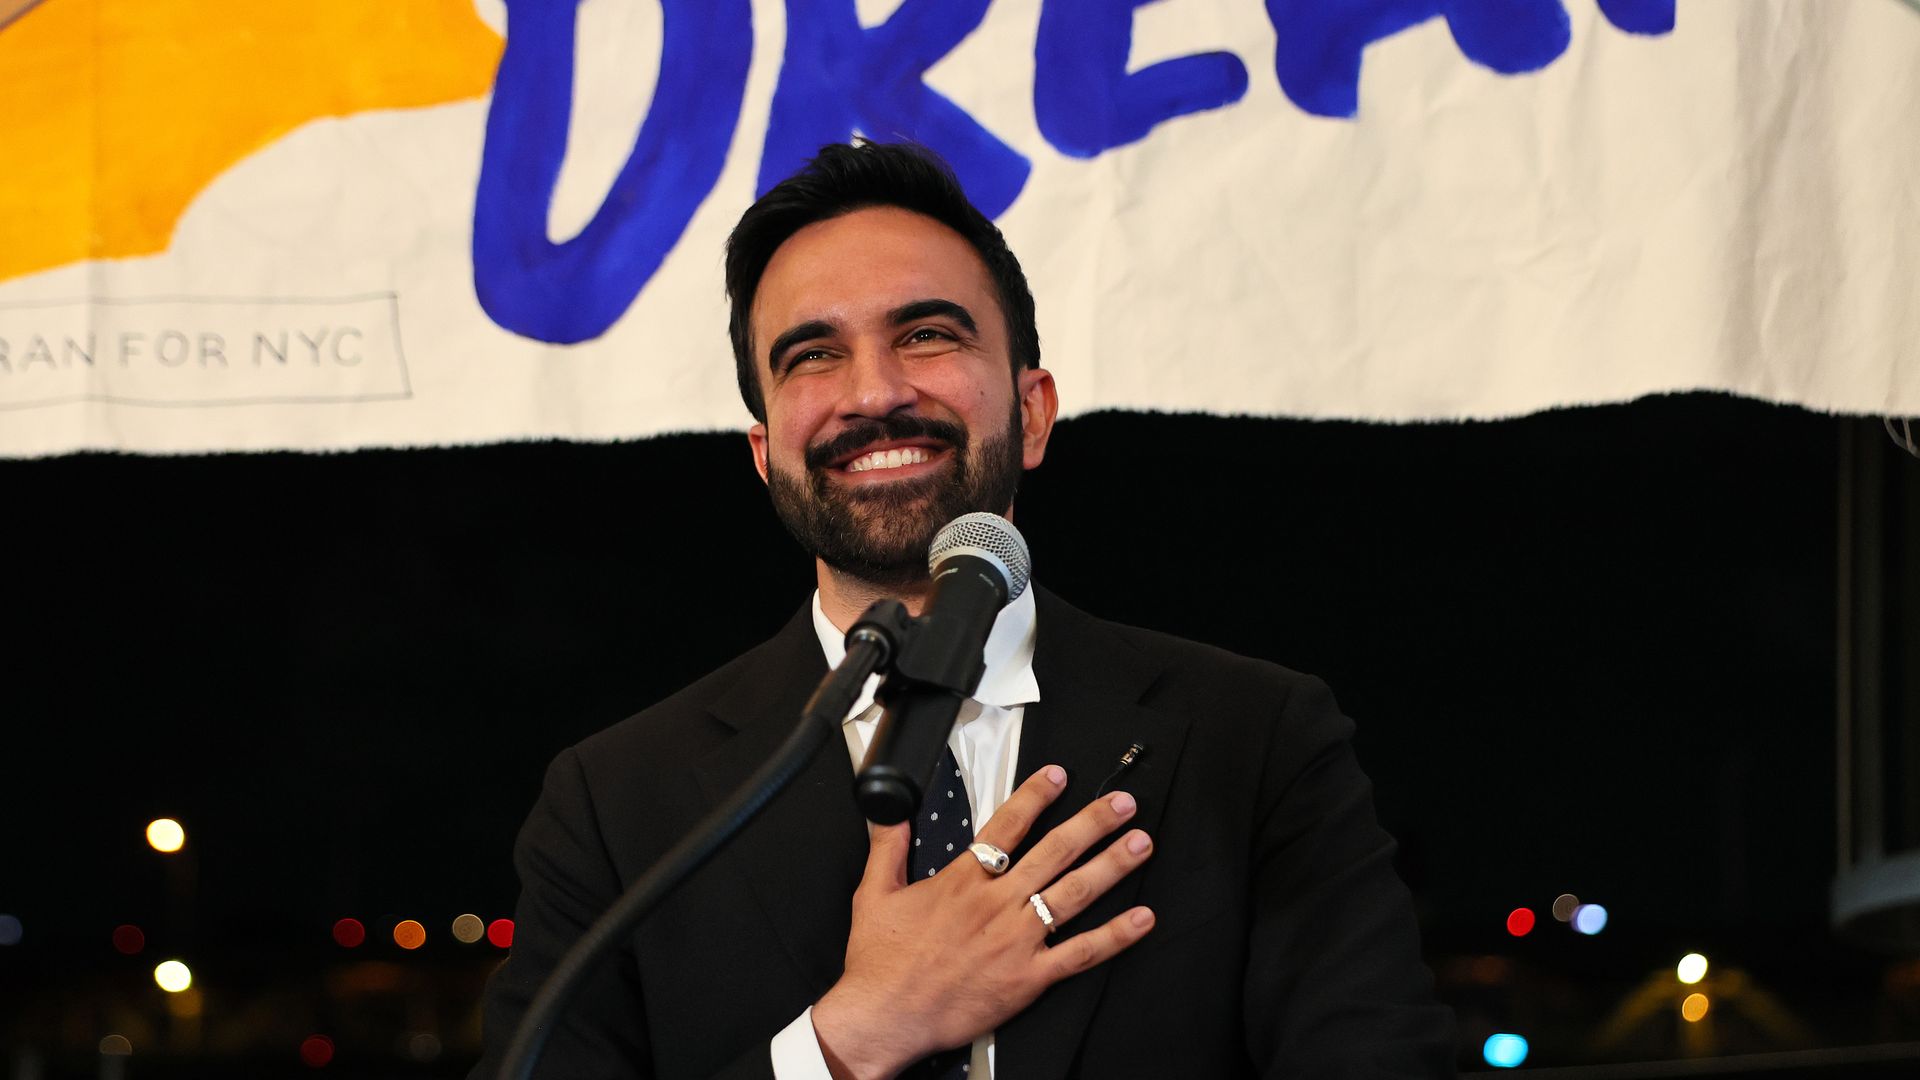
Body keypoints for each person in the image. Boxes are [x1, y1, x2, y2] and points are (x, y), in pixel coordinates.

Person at [475, 141, 1456, 1079]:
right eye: (812, 355)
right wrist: (853, 1036)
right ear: (764, 452)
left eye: (928, 334)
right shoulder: (615, 802)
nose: (875, 391)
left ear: (1031, 412)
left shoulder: (1257, 740)